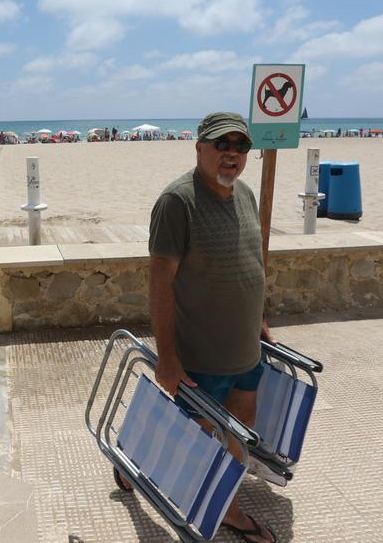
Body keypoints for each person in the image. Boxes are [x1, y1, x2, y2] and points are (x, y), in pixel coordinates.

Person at [146, 111, 278, 543]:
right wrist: (167, 358)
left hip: (246, 352)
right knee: (198, 439)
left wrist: (260, 318)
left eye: (241, 146)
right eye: (222, 144)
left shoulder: (245, 194)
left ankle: (224, 504)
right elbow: (160, 283)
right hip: (201, 359)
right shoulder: (177, 202)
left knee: (241, 427)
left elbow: (251, 260)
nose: (232, 154)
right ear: (200, 147)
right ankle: (227, 511)